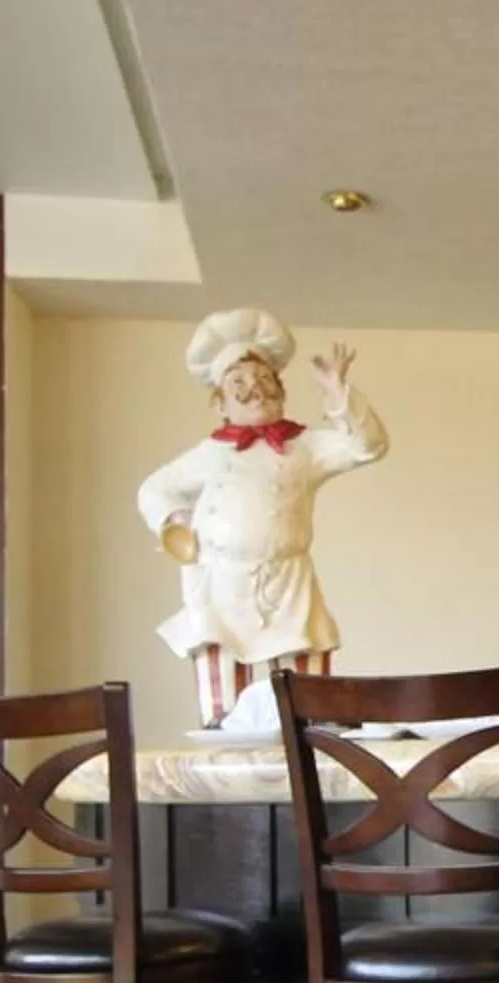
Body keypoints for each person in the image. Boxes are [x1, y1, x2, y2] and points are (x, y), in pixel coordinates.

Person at [135, 308, 389, 725]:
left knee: (305, 693)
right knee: (223, 694)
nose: (255, 389)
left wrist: (339, 395)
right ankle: (224, 760)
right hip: (221, 581)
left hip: (289, 579)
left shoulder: (304, 446)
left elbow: (368, 447)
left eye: (265, 380)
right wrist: (174, 522)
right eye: (239, 383)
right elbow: (153, 489)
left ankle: (305, 762)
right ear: (220, 402)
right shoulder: (210, 453)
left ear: (282, 391)